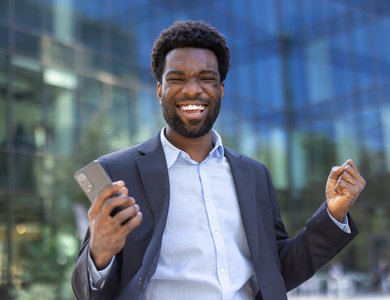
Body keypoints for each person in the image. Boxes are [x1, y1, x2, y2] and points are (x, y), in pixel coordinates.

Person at [71, 20, 366, 300]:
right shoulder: (118, 171)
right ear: (159, 89)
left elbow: (278, 271)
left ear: (220, 91)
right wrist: (101, 252)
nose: (192, 89)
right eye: (177, 78)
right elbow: (87, 291)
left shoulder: (254, 174)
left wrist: (333, 215)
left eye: (206, 78)